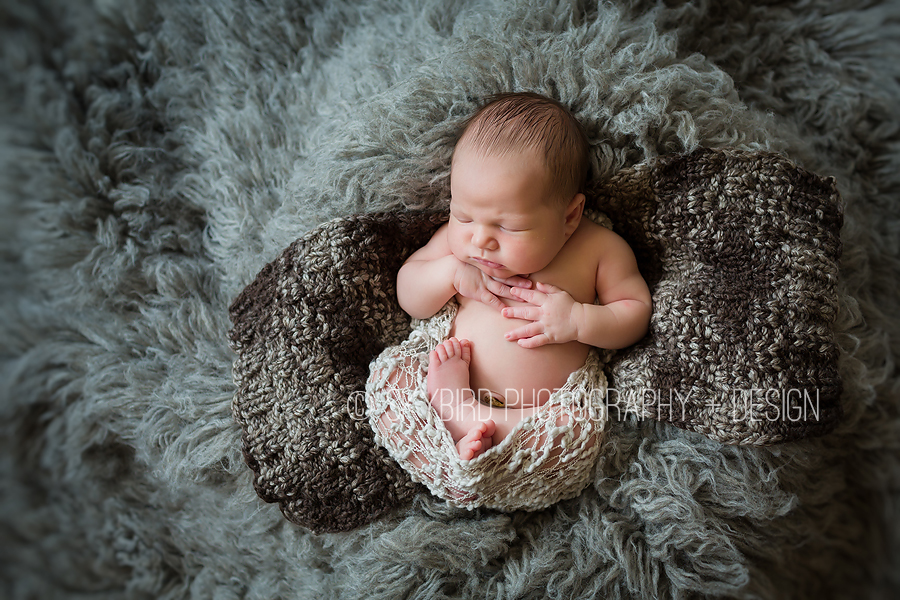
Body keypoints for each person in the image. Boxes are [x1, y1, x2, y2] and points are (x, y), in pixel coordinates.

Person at [392, 91, 652, 460]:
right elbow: (409, 296)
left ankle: (478, 441)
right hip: (445, 393)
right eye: (463, 216)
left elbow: (636, 313)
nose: (480, 239)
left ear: (569, 217)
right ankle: (456, 421)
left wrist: (579, 319)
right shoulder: (456, 250)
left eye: (508, 227)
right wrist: (449, 273)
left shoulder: (599, 249)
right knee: (392, 385)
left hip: (541, 417)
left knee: (580, 430)